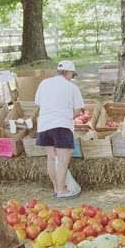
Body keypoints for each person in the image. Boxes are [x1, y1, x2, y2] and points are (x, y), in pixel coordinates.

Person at [35, 60, 84, 199]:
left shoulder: (43, 83)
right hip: (62, 125)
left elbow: (38, 104)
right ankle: (62, 190)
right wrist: (68, 115)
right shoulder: (71, 87)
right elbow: (78, 110)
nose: (72, 77)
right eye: (72, 75)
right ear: (69, 73)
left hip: (44, 125)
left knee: (51, 159)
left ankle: (56, 188)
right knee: (62, 161)